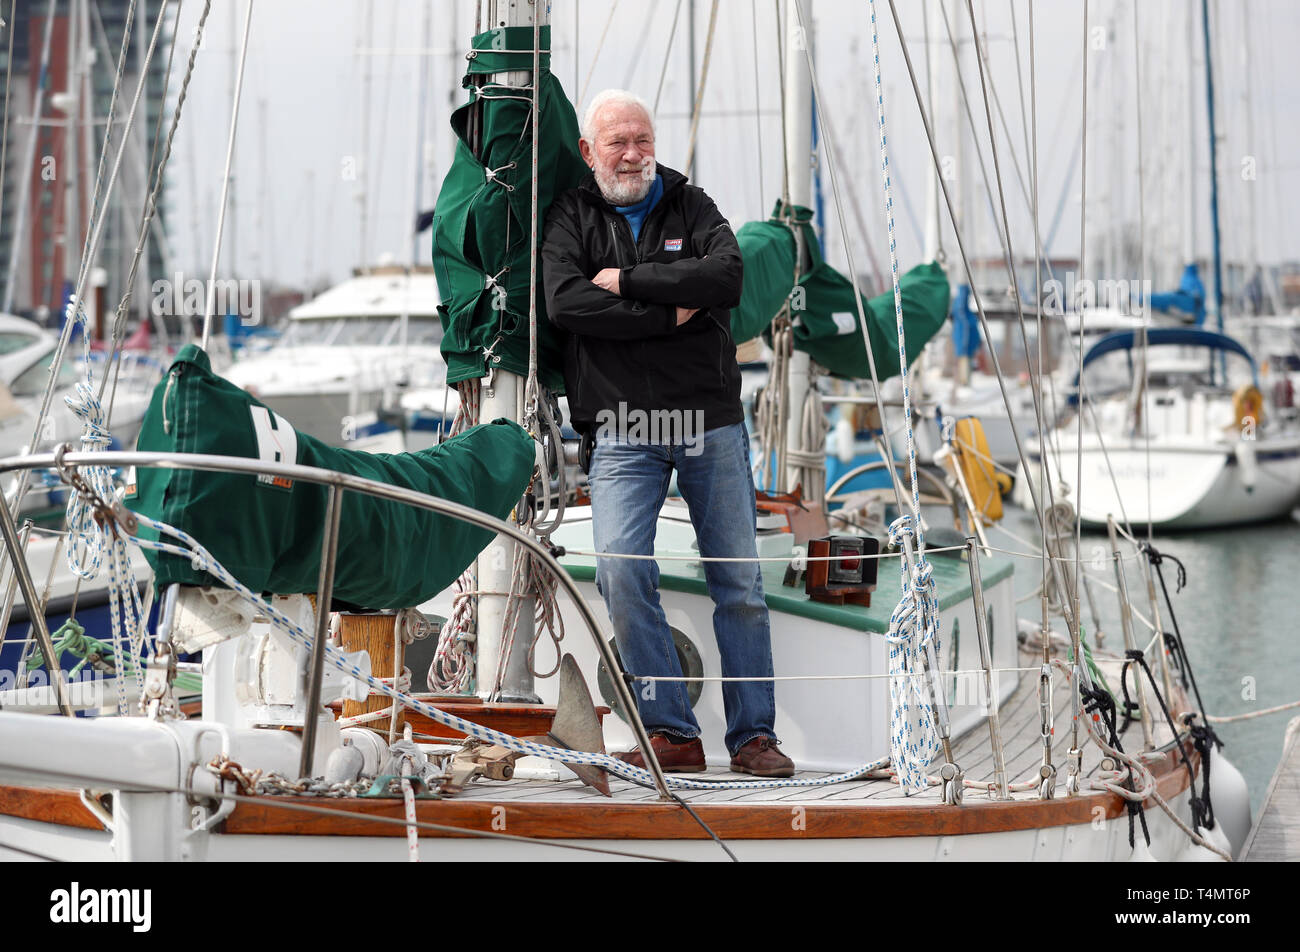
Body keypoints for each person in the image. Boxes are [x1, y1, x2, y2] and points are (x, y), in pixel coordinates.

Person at [541, 89, 794, 777]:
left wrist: (626, 280)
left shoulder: (691, 203)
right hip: (623, 427)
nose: (633, 153)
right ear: (590, 152)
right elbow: (565, 301)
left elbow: (727, 276)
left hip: (709, 420)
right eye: (617, 142)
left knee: (737, 582)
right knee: (623, 571)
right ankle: (672, 731)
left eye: (642, 139)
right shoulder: (570, 216)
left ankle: (753, 739)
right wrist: (666, 311)